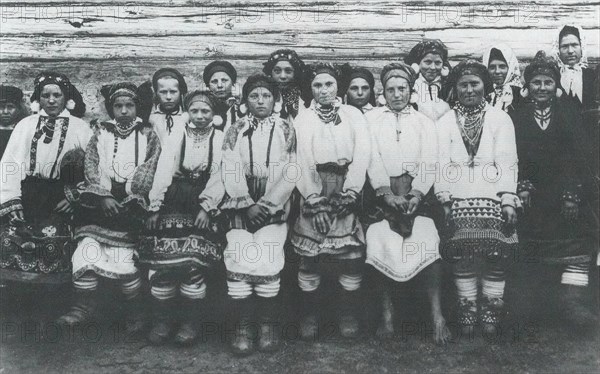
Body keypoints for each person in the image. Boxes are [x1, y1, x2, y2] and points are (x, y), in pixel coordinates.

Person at [57, 82, 161, 333]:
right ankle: (83, 305)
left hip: (132, 203)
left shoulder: (148, 134)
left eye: (129, 105)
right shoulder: (101, 133)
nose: (124, 111)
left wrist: (133, 195)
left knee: (122, 258)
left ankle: (134, 309)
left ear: (137, 107)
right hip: (99, 202)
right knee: (88, 248)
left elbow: (150, 165)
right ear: (111, 109)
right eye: (118, 106)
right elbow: (92, 163)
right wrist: (102, 195)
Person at [364, 62, 450, 344]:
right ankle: (387, 314)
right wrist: (386, 194)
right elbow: (371, 158)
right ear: (383, 92)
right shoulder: (372, 121)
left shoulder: (424, 122)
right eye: (391, 89)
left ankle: (437, 315)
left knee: (427, 236)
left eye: (402, 89)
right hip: (384, 198)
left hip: (416, 199)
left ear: (411, 91)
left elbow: (430, 160)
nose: (397, 94)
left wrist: (416, 194)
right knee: (378, 238)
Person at [511, 51, 598, 329]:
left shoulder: (569, 114)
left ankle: (571, 303)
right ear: (528, 87)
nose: (542, 88)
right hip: (531, 192)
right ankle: (536, 307)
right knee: (529, 242)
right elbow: (513, 156)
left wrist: (572, 193)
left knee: (577, 238)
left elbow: (579, 157)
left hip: (565, 193)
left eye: (548, 82)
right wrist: (522, 185)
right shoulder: (518, 117)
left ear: (556, 85)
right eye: (536, 82)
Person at [436, 60, 520, 335]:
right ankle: (467, 307)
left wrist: (508, 198)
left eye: (475, 84)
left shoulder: (499, 118)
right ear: (455, 88)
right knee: (463, 255)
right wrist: (445, 198)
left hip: (492, 194)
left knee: (495, 254)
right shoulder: (446, 122)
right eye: (463, 85)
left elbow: (508, 160)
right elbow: (440, 163)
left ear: (485, 86)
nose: (469, 90)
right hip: (458, 195)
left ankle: (492, 309)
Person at [139, 90, 226, 345]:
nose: (200, 116)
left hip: (200, 202)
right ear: (188, 112)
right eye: (195, 111)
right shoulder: (176, 135)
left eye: (206, 111)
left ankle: (191, 321)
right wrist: (155, 206)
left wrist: (207, 207)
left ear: (214, 114)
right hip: (173, 201)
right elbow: (164, 168)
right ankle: (164, 319)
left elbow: (220, 174)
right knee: (164, 262)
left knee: (192, 263)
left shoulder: (221, 138)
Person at [291, 63, 370, 340]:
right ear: (310, 89)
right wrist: (314, 201)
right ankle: (311, 314)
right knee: (310, 256)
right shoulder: (303, 118)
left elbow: (362, 154)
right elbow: (300, 159)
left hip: (345, 186)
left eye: (329, 85)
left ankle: (346, 313)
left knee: (349, 257)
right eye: (317, 85)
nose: (323, 90)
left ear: (338, 87)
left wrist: (351, 192)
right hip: (313, 185)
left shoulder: (353, 115)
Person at [221, 74, 296, 355]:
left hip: (273, 201)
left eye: (266, 96)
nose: (260, 101)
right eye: (254, 96)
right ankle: (242, 326)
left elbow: (292, 168)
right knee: (239, 250)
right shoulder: (235, 129)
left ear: (275, 100)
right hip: (241, 201)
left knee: (268, 250)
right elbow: (228, 165)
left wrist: (267, 203)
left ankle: (267, 324)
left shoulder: (286, 129)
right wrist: (245, 202)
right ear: (245, 101)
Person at [0, 71, 90, 285]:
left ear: (66, 98)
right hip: (28, 193)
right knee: (14, 238)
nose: (51, 100)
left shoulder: (80, 128)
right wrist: (12, 200)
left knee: (55, 242)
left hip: (60, 198)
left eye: (56, 95)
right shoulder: (26, 125)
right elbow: (10, 164)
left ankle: (52, 303)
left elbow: (93, 168)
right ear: (37, 99)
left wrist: (73, 196)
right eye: (45, 95)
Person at [552, 25, 597, 112]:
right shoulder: (553, 75)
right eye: (564, 46)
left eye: (574, 45)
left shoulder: (592, 75)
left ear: (582, 47)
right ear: (558, 50)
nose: (570, 51)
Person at [405, 39, 452, 121]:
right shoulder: (410, 86)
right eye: (428, 62)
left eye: (437, 63)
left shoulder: (448, 87)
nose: (433, 67)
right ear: (417, 64)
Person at [148, 67, 189, 159]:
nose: (168, 97)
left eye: (173, 92)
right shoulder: (152, 119)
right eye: (163, 92)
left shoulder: (186, 118)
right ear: (156, 93)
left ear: (180, 92)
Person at [263, 49, 306, 119]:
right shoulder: (263, 99)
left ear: (295, 74)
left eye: (288, 71)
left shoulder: (304, 100)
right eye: (277, 71)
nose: (283, 76)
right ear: (270, 73)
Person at [482, 43, 522, 114]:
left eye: (502, 66)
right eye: (492, 67)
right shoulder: (482, 93)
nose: (497, 71)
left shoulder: (520, 95)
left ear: (510, 68)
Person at [203, 60, 239, 132]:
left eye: (224, 80)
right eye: (214, 81)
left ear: (233, 83)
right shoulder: (202, 111)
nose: (219, 85)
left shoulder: (239, 111)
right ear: (208, 86)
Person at [0, 85, 27, 158]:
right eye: (1, 107)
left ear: (19, 109)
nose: (5, 111)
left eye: (10, 107)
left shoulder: (25, 130)